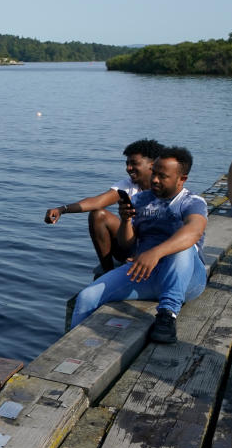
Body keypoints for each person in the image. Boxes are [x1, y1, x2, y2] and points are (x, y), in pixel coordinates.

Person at [69, 146, 208, 344]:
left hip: (187, 279)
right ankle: (71, 346)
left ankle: (167, 315)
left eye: (163, 176)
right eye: (154, 173)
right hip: (146, 273)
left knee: (182, 245)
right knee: (86, 297)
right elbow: (126, 246)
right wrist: (126, 221)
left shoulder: (192, 202)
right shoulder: (140, 200)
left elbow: (194, 231)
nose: (155, 180)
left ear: (181, 179)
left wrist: (156, 252)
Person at [44, 139, 164, 276]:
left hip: (155, 249)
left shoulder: (167, 190)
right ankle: (107, 273)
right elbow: (97, 202)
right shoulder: (129, 185)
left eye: (134, 164)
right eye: (127, 164)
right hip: (129, 243)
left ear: (152, 165)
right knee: (98, 215)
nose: (128, 168)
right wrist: (62, 209)